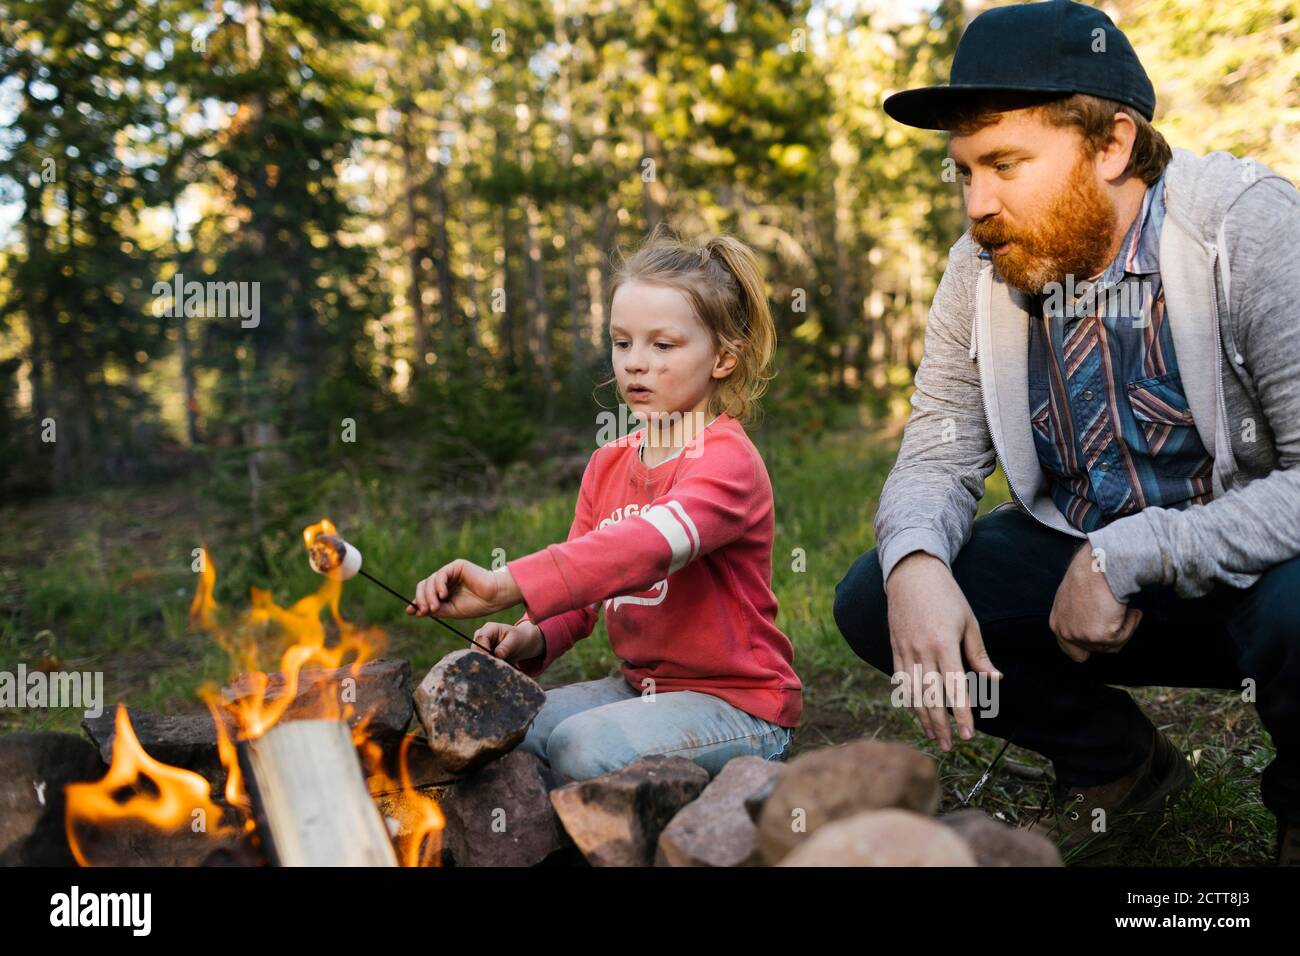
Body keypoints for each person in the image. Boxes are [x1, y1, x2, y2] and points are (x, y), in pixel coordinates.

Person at [833, 0, 1300, 863]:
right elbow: (940, 437)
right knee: (873, 595)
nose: (978, 204)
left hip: (1250, 576)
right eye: (965, 171)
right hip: (1081, 586)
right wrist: (916, 561)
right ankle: (1122, 768)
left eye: (1005, 164)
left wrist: (1127, 555)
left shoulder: (1250, 228)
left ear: (1113, 144)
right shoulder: (983, 263)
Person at [408, 232, 801, 781]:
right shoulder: (607, 464)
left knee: (582, 748)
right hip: (640, 688)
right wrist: (529, 632)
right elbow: (582, 594)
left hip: (739, 707)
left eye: (663, 346)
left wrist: (505, 582)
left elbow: (644, 548)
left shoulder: (726, 461)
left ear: (723, 358)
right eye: (622, 343)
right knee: (520, 733)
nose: (636, 364)